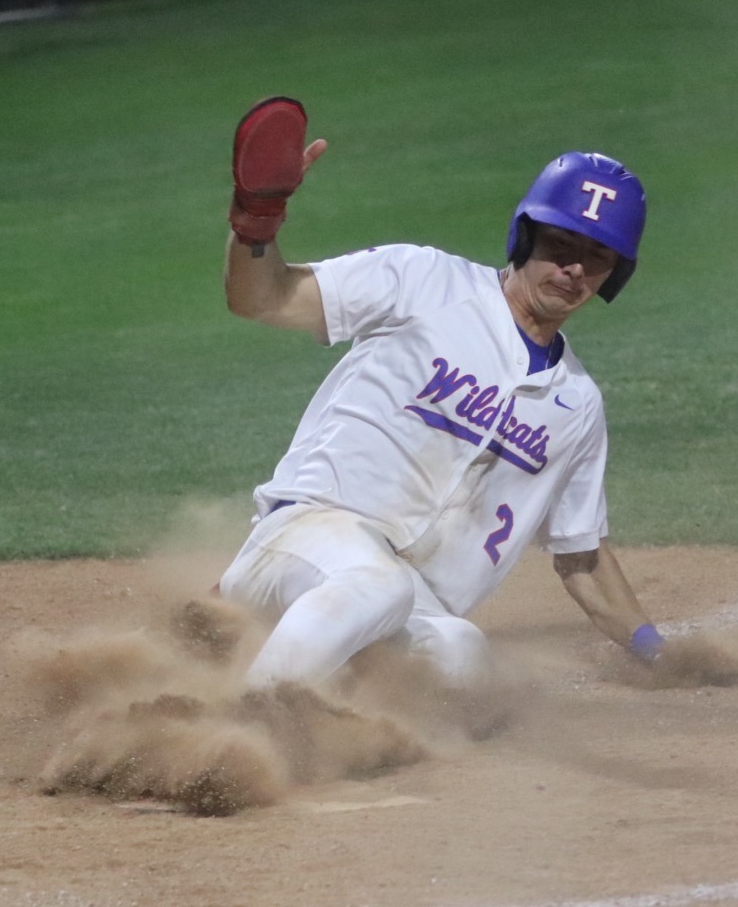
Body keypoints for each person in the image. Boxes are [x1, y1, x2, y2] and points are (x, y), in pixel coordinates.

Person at [216, 109, 666, 693]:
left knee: (463, 659)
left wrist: (656, 650)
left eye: (597, 258)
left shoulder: (576, 404)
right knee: (379, 585)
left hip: (409, 606)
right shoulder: (423, 281)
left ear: (614, 275)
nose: (574, 269)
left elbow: (581, 557)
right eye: (560, 244)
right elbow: (263, 298)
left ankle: (316, 707)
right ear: (525, 235)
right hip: (309, 536)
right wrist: (258, 221)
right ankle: (245, 720)